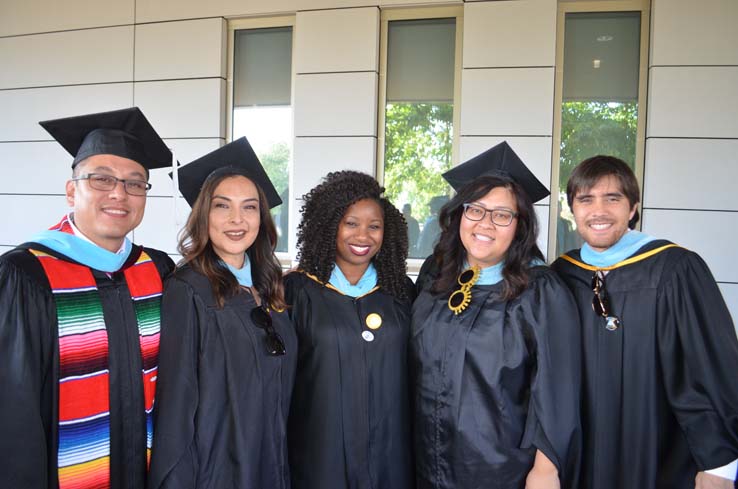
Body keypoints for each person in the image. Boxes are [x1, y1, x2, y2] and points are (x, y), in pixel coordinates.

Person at [0, 107, 175, 489]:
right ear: (70, 190)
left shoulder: (157, 271)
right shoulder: (27, 275)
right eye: (101, 179)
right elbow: (13, 410)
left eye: (134, 183)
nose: (118, 193)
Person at [551, 155, 738, 489]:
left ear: (633, 207)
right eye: (586, 199)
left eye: (613, 198)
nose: (599, 211)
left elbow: (711, 367)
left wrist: (720, 463)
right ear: (572, 209)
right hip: (578, 454)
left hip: (660, 454)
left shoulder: (676, 269)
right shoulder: (561, 274)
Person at [412, 141, 581, 489]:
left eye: (502, 214)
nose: (485, 223)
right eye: (475, 209)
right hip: (427, 460)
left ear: (519, 226)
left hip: (501, 470)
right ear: (459, 213)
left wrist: (546, 471)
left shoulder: (539, 291)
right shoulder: (435, 275)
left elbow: (557, 390)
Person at [147, 137, 297, 489]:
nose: (236, 220)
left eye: (249, 207)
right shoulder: (187, 291)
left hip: (271, 462)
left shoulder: (270, 286)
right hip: (216, 472)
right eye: (221, 206)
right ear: (203, 215)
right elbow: (176, 410)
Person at [284, 170, 414, 489]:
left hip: (390, 454)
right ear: (330, 226)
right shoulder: (295, 292)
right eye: (351, 223)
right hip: (318, 454)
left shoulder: (401, 293)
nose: (363, 236)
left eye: (374, 226)